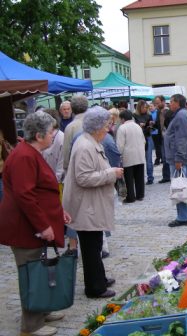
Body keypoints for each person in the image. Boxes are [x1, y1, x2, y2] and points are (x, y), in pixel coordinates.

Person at [0, 111, 71, 336]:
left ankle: (42, 309)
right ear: (39, 135)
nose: (53, 135)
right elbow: (25, 196)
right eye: (51, 132)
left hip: (32, 225)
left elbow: (40, 190)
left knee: (38, 269)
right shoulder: (24, 156)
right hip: (25, 227)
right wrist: (43, 225)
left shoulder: (31, 152)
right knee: (31, 273)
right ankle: (31, 326)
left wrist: (58, 213)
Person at [63, 106, 123, 299]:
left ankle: (100, 278)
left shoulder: (89, 142)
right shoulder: (85, 145)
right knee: (90, 248)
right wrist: (110, 174)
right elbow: (83, 178)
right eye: (106, 125)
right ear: (96, 126)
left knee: (95, 244)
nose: (108, 128)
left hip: (90, 204)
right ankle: (95, 287)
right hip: (85, 206)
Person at [62, 95, 89, 257]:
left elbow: (66, 154)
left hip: (75, 172)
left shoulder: (71, 127)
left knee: (73, 208)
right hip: (91, 170)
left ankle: (73, 245)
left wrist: (65, 170)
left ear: (72, 108)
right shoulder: (92, 122)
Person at [164, 94, 187, 227]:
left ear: (177, 103)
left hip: (179, 158)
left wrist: (178, 158)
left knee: (179, 186)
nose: (169, 104)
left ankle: (183, 217)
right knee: (185, 185)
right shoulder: (182, 114)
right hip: (181, 157)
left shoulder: (181, 116)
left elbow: (181, 139)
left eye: (171, 102)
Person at [117, 110, 146, 203]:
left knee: (129, 178)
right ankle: (140, 195)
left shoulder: (122, 128)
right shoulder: (138, 126)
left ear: (122, 118)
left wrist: (119, 155)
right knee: (139, 176)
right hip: (140, 154)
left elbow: (120, 145)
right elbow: (143, 140)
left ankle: (131, 197)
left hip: (128, 155)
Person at [133, 100, 154, 185]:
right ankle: (139, 178)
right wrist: (139, 125)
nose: (145, 109)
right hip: (138, 138)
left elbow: (151, 127)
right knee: (139, 159)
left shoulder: (149, 115)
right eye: (144, 107)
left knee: (148, 159)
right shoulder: (134, 115)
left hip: (147, 136)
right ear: (139, 107)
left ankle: (150, 178)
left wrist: (151, 124)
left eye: (146, 107)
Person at [42, 109, 65, 185]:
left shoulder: (60, 137)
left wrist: (54, 182)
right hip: (48, 181)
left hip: (56, 183)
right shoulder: (46, 136)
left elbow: (61, 165)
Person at [154, 95, 172, 183]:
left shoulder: (168, 112)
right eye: (155, 103)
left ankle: (168, 176)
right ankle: (166, 176)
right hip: (161, 138)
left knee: (167, 157)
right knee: (164, 158)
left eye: (158, 103)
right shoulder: (158, 112)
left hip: (168, 138)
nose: (156, 104)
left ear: (163, 102)